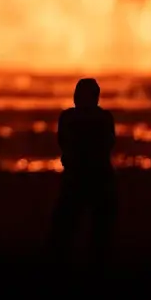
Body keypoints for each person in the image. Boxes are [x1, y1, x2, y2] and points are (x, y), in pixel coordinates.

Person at [48, 78, 117, 266]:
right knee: (98, 229)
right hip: (96, 176)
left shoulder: (69, 117)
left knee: (66, 226)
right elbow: (109, 143)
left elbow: (64, 143)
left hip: (80, 177)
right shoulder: (104, 118)